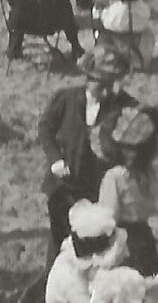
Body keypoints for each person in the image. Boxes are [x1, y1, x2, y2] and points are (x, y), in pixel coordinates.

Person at [38, 47, 137, 259]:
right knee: (59, 242)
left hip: (97, 187)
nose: (110, 91)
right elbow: (45, 128)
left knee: (93, 244)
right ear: (89, 78)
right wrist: (55, 158)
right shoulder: (65, 99)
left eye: (115, 84)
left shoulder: (123, 106)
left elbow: (137, 139)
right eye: (104, 84)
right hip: (63, 186)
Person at [98, 106, 158, 276]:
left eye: (136, 149)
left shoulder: (148, 174)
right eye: (126, 148)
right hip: (123, 241)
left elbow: (150, 206)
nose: (131, 154)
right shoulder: (115, 177)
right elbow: (108, 218)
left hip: (144, 237)